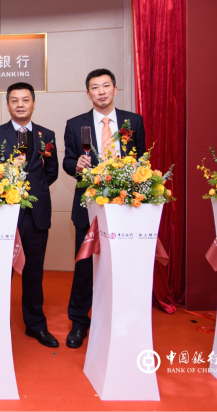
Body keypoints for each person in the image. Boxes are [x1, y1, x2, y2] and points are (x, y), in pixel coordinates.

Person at [62, 68, 146, 348]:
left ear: (115, 89)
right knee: (85, 265)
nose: (101, 91)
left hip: (125, 205)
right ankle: (79, 322)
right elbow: (67, 161)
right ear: (88, 94)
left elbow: (142, 158)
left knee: (123, 264)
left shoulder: (133, 122)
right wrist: (76, 165)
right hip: (89, 205)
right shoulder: (76, 124)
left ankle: (122, 319)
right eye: (95, 88)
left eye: (106, 86)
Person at [0, 82, 60, 348]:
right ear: (7, 105)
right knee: (1, 273)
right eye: (14, 100)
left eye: (25, 100)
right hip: (5, 215)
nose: (20, 104)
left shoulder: (46, 134)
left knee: (34, 273)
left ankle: (35, 325)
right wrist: (8, 171)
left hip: (36, 214)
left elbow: (51, 172)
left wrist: (32, 191)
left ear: (33, 104)